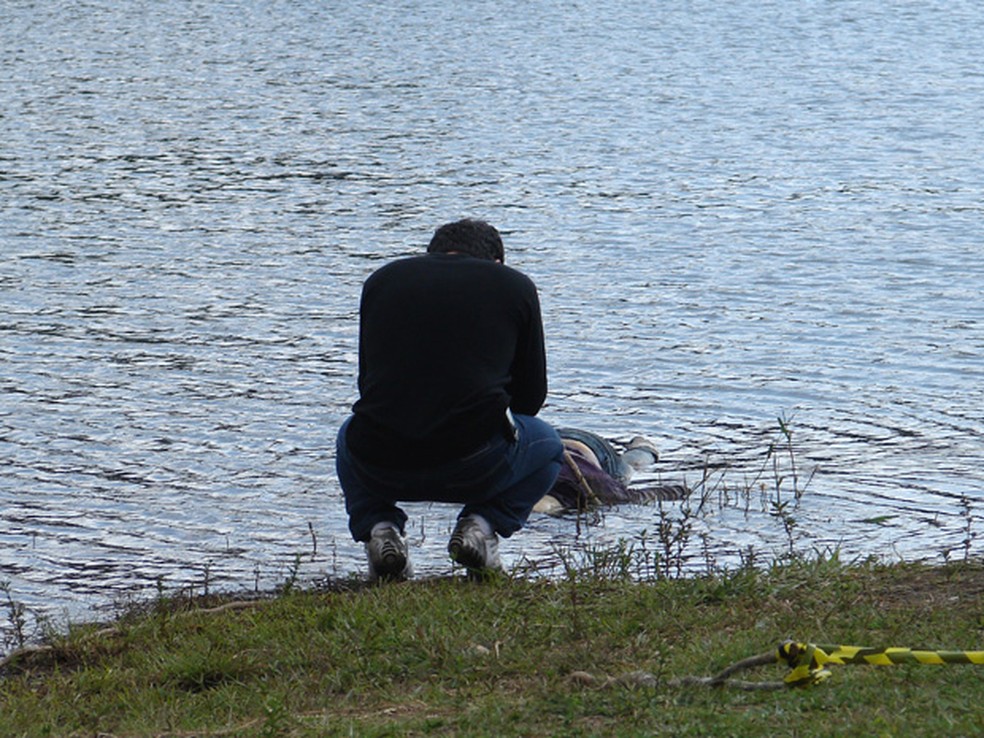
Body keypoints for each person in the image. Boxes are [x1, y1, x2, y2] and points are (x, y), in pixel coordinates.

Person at [335, 219, 565, 580]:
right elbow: (530, 400)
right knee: (549, 445)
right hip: (474, 465)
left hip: (380, 462)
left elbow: (369, 386)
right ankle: (482, 525)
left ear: (433, 255)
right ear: (497, 262)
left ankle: (379, 529)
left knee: (349, 433)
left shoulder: (382, 281)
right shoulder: (514, 286)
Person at [536, 429, 688, 514]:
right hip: (548, 436)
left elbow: (635, 496)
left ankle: (645, 448)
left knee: (628, 469)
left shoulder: (591, 482)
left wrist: (681, 491)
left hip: (594, 449)